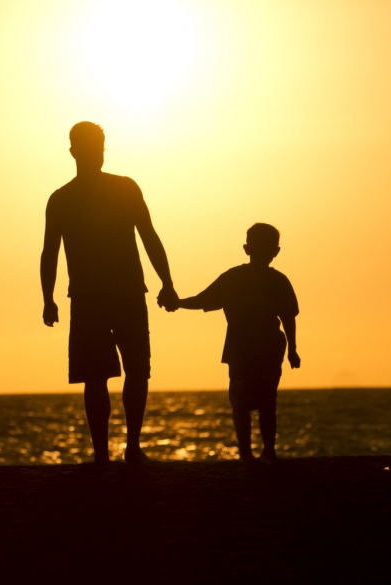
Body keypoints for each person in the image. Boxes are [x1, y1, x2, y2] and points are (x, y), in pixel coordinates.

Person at [40, 122, 177, 464]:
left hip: (122, 293)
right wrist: (47, 298)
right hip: (93, 298)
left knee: (133, 371)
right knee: (98, 376)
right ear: (73, 152)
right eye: (91, 149)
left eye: (99, 149)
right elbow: (49, 253)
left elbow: (149, 236)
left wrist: (167, 281)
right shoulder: (62, 199)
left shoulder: (120, 189)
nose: (96, 155)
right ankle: (106, 453)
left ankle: (129, 448)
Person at [167, 223, 301, 461]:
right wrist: (292, 349)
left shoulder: (242, 278)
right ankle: (261, 452)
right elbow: (288, 318)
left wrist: (177, 303)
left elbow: (202, 300)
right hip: (255, 347)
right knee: (262, 402)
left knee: (246, 402)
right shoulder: (271, 280)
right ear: (275, 251)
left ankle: (253, 452)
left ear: (247, 248)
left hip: (252, 347)